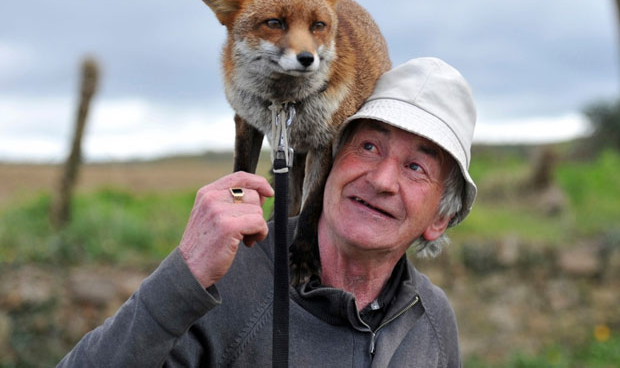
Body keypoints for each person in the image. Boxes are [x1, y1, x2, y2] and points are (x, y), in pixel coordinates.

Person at [57, 58, 478, 367]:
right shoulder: (228, 281)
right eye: (368, 146)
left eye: (416, 167)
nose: (382, 179)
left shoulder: (430, 317)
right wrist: (184, 275)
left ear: (439, 218)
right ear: (329, 160)